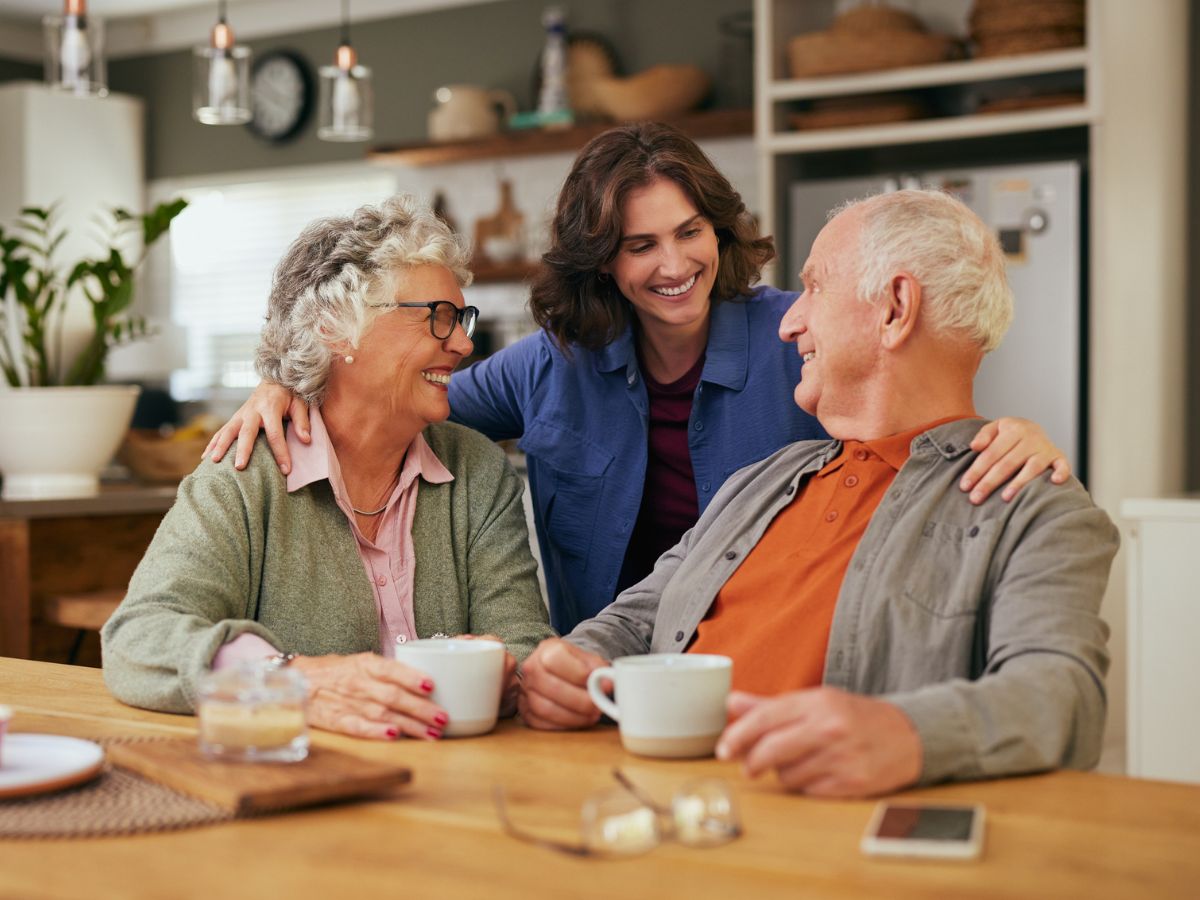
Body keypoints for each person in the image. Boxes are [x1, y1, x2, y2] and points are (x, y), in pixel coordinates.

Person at [205, 123, 1070, 634]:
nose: (673, 265)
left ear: (719, 233)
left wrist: (1007, 433)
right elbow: (398, 403)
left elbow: (912, 418)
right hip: (609, 670)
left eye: (689, 232)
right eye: (640, 244)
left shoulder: (793, 334)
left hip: (771, 664)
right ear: (603, 262)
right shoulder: (555, 361)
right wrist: (294, 387)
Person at [517, 189, 1118, 798]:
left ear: (895, 309)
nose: (788, 322)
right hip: (647, 805)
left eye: (815, 288)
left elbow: (1063, 695)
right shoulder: (761, 480)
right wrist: (574, 664)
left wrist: (907, 734)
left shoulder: (1031, 506)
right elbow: (635, 619)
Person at [102, 195, 553, 741]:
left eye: (462, 317)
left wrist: (504, 668)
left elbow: (524, 645)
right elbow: (139, 639)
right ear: (337, 329)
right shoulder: (246, 474)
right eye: (438, 317)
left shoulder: (478, 470)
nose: (462, 342)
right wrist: (292, 679)